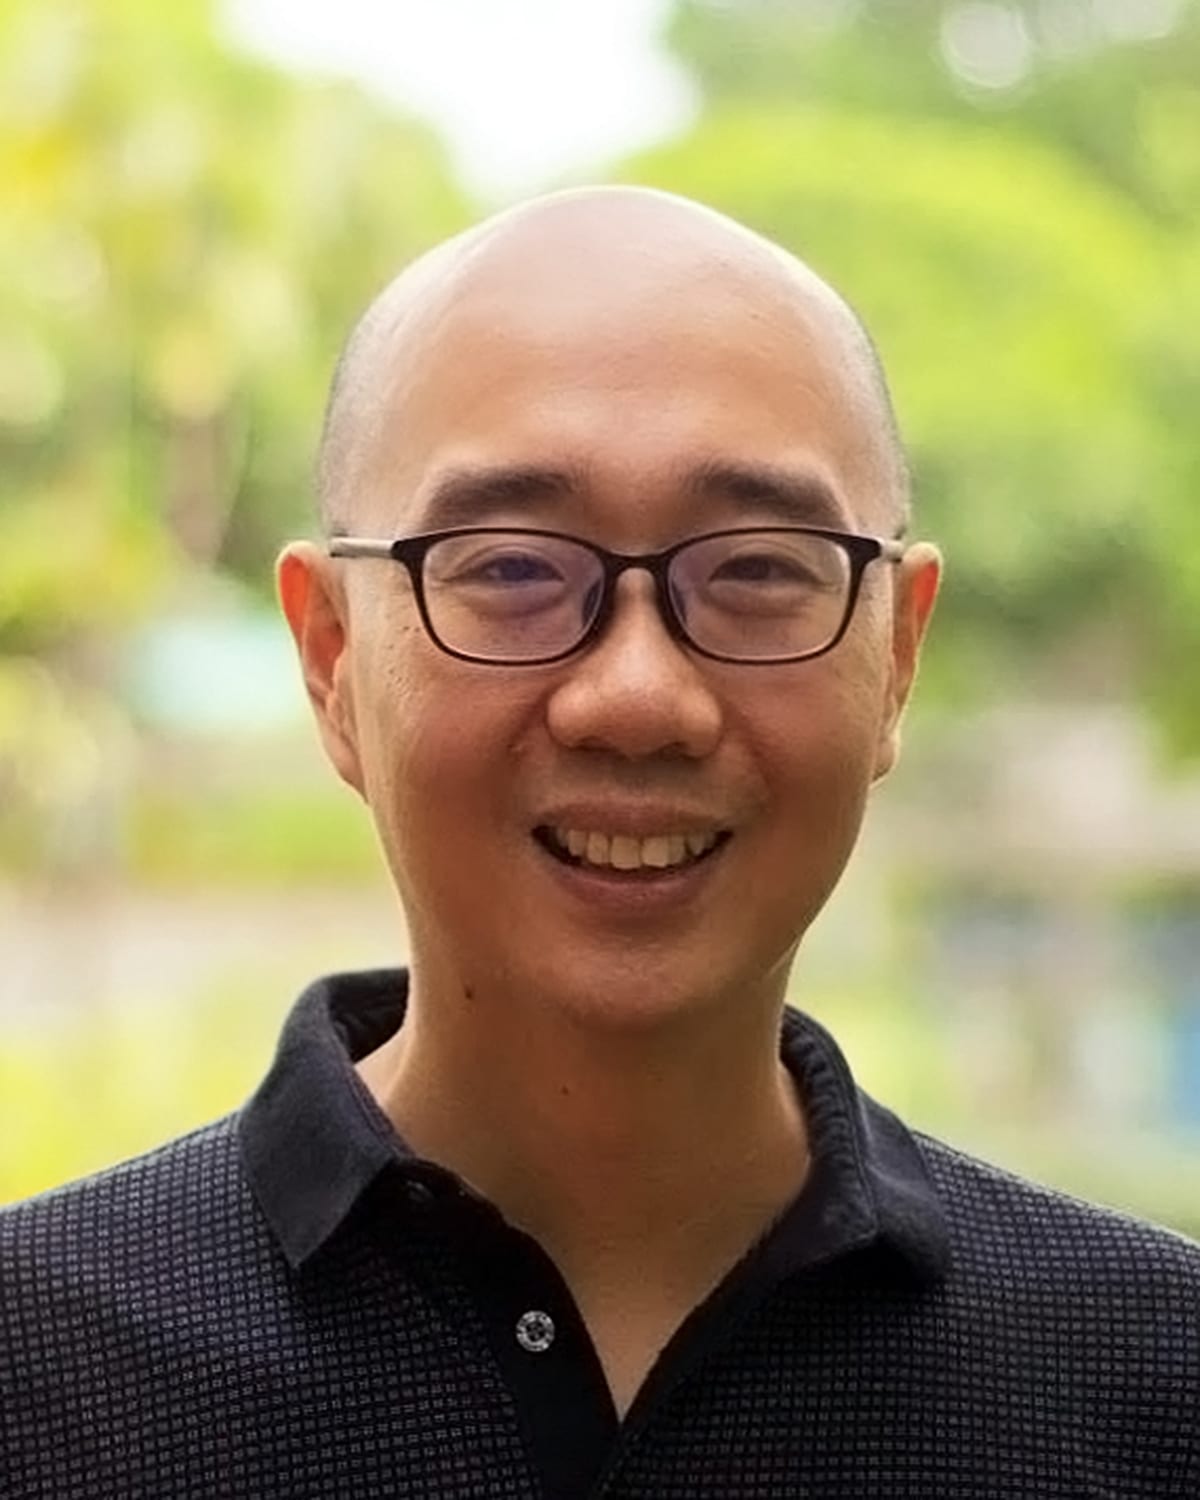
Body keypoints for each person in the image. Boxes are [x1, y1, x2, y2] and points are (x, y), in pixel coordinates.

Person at [1, 187, 1196, 1500]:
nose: (640, 697)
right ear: (331, 655)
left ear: (897, 657)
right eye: (510, 568)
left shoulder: (1150, 1384)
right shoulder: (40, 1370)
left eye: (757, 568)